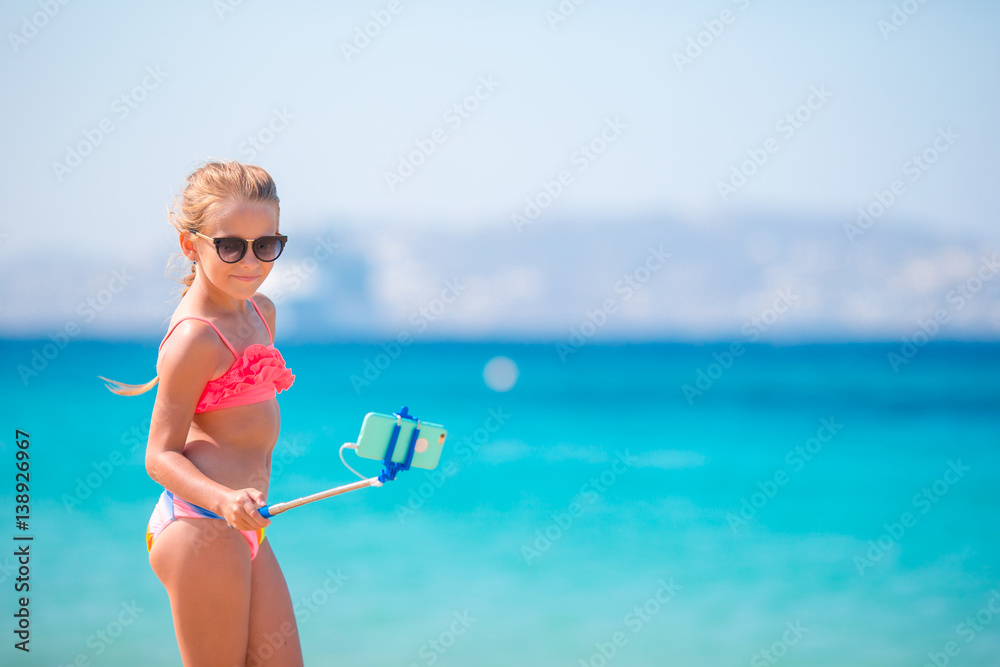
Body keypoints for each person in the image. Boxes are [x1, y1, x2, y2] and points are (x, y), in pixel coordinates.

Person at [101, 161, 303, 666]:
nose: (250, 261)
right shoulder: (194, 337)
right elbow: (158, 456)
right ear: (192, 246)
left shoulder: (261, 313)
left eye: (266, 245)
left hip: (247, 527)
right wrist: (223, 499)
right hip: (200, 525)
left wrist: (239, 510)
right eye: (230, 245)